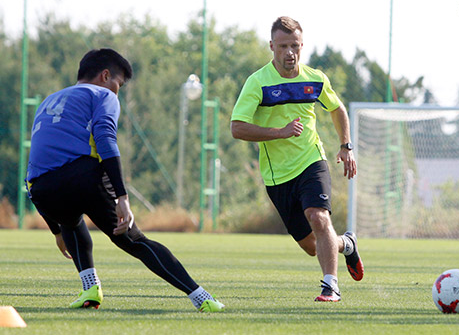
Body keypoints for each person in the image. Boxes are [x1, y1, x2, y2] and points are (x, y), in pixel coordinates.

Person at [25, 48, 224, 312]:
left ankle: (90, 289)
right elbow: (106, 140)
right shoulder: (102, 94)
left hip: (42, 190)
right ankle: (201, 297)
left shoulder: (48, 101)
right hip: (83, 179)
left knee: (71, 222)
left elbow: (37, 164)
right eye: (118, 84)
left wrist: (56, 230)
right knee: (134, 240)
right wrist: (122, 197)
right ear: (105, 76)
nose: (117, 91)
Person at [230, 16, 364, 302]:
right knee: (312, 246)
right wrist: (279, 132)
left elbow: (336, 108)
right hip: (277, 176)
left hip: (311, 161)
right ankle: (346, 244)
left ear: (302, 46)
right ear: (271, 46)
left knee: (318, 216)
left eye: (294, 46)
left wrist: (346, 145)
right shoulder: (257, 83)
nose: (289, 52)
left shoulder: (315, 79)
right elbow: (237, 128)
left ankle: (331, 286)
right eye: (282, 46)